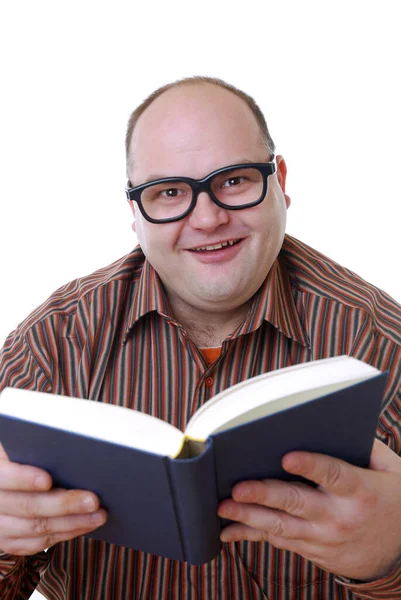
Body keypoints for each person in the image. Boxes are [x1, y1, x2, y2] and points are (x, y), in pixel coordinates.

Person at [1, 76, 401, 600]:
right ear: (135, 213)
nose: (208, 218)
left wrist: (390, 558)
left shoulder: (383, 343)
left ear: (279, 181)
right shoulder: (51, 345)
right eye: (169, 193)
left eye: (234, 180)